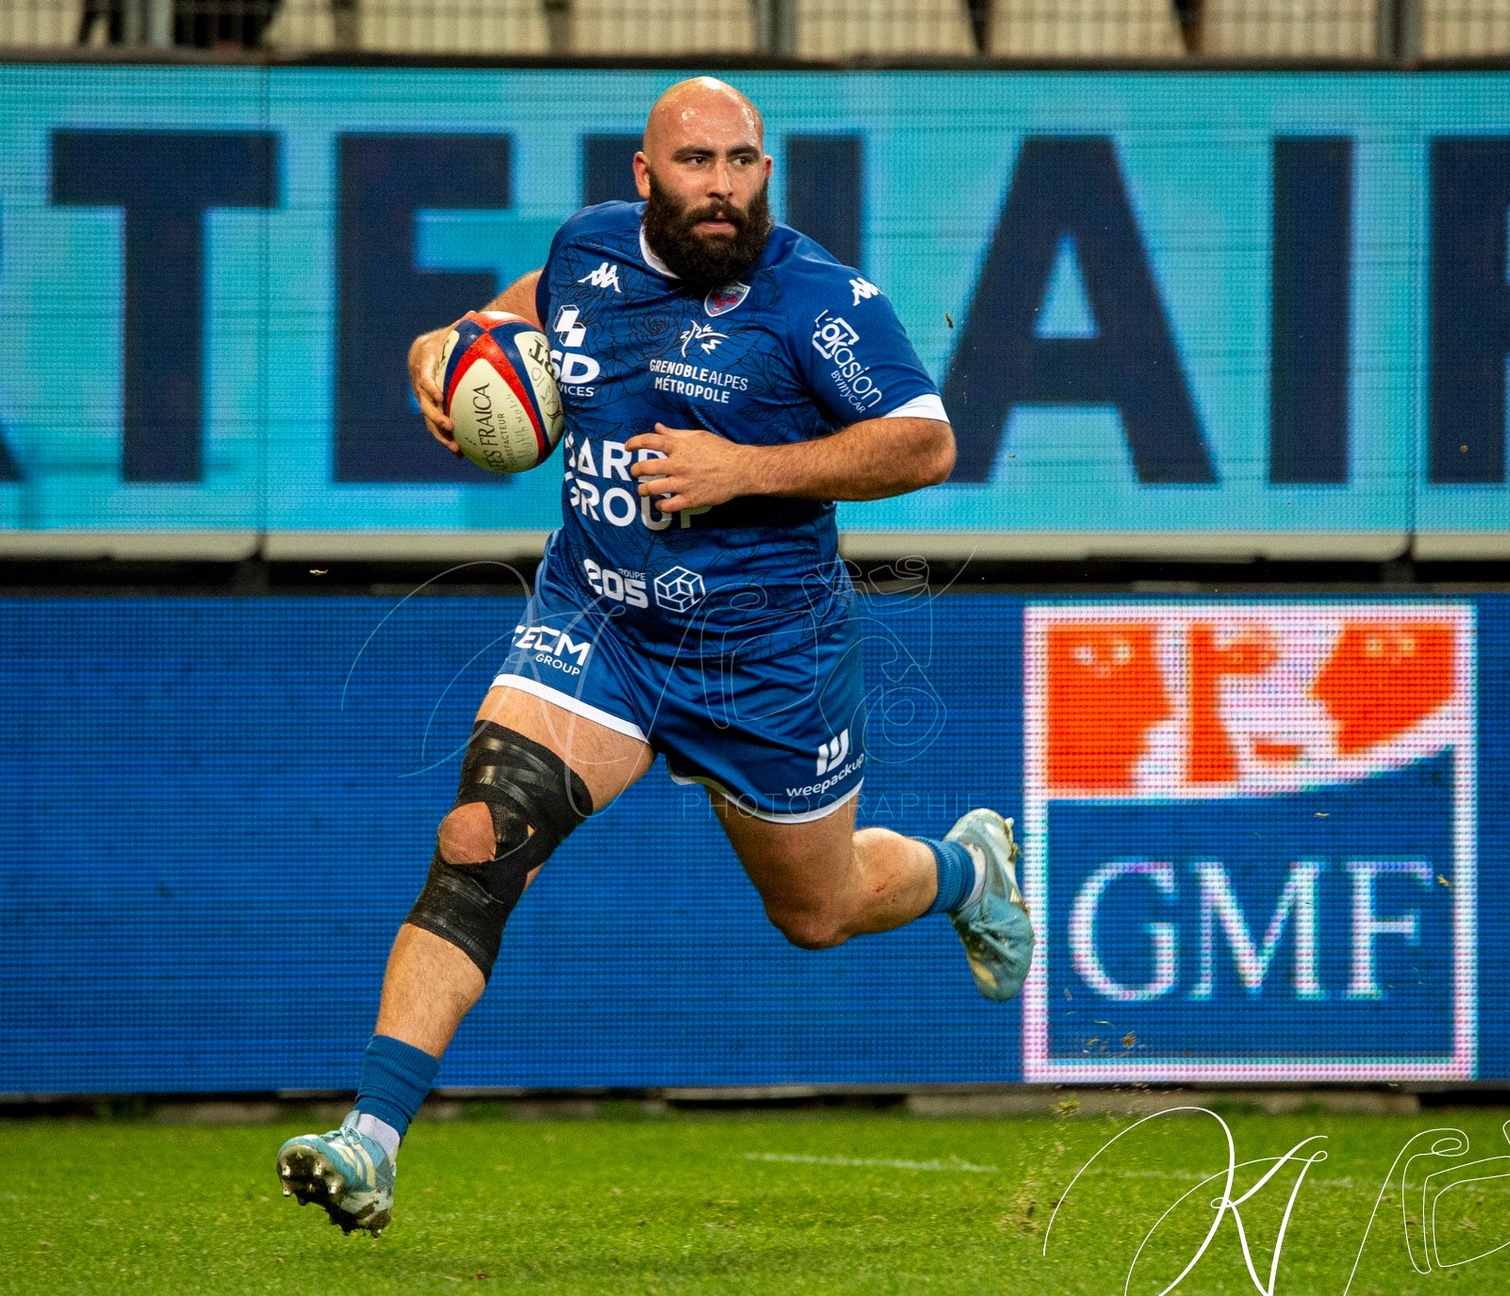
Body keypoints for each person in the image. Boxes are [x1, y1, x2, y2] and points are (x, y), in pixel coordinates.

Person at [277, 77, 1033, 1236]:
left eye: (741, 162)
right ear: (645, 177)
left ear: (764, 172)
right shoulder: (587, 251)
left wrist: (743, 469)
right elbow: (511, 315)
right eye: (694, 163)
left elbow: (924, 445)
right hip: (601, 621)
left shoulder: (814, 301)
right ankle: (369, 1138)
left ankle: (965, 869)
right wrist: (445, 353)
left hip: (766, 660)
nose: (721, 187)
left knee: (815, 912)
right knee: (483, 831)